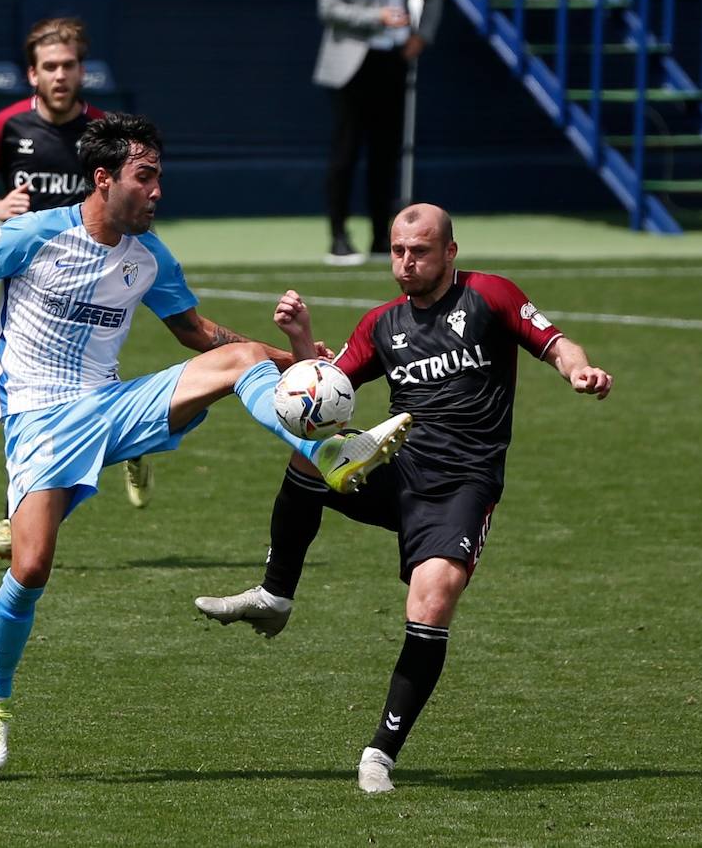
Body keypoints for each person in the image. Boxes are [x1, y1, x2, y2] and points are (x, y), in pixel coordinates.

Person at [0, 113, 414, 772]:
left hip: (117, 406)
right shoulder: (35, 235)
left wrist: (295, 362)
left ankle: (326, 453)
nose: (157, 192)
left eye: (159, 177)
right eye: (145, 177)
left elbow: (197, 333)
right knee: (32, 565)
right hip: (40, 425)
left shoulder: (149, 257)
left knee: (240, 360)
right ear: (104, 180)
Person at [195, 204, 613, 793]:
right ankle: (276, 594)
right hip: (397, 464)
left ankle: (379, 755)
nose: (406, 263)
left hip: (463, 486)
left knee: (432, 600)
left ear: (450, 252)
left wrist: (581, 370)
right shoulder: (381, 324)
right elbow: (324, 386)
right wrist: (299, 339)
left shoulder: (491, 296)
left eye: (419, 251)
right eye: (397, 251)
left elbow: (556, 342)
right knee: (308, 460)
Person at [0, 16, 152, 558]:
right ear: (32, 75)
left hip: (101, 267)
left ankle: (125, 440)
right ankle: (31, 504)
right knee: (23, 389)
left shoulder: (105, 134)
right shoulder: (8, 126)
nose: (61, 76)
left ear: (82, 70)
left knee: (82, 386)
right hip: (33, 277)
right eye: (50, 67)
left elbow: (136, 189)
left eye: (69, 66)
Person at [315, 0, 443, 266]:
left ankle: (379, 236)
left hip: (392, 60)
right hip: (352, 64)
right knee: (346, 151)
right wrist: (378, 16)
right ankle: (338, 237)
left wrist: (422, 36)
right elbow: (329, 8)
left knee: (385, 153)